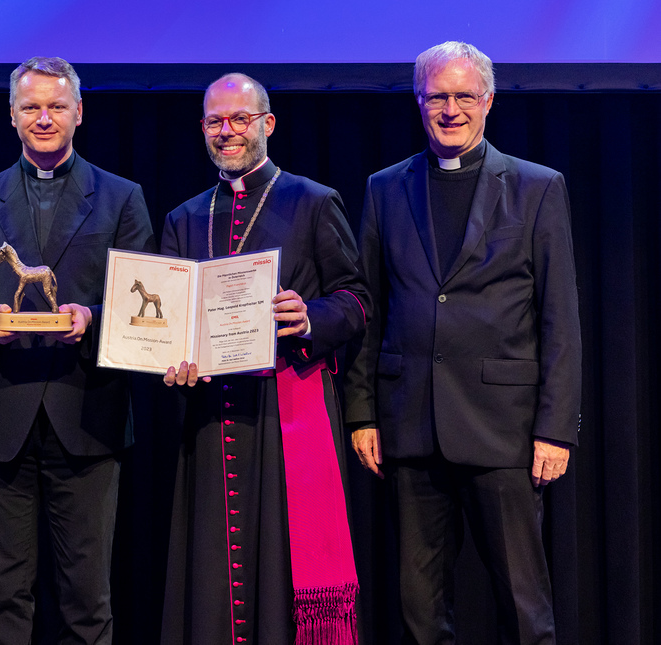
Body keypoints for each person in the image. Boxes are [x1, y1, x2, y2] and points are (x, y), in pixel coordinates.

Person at [345, 41, 582, 645]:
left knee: (525, 610)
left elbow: (559, 317)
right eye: (437, 97)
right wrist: (363, 411)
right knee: (420, 612)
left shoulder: (537, 187)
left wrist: (555, 428)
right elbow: (371, 308)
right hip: (411, 427)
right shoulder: (385, 188)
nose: (450, 109)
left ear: (489, 101)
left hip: (503, 431)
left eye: (463, 96)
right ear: (419, 103)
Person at [0, 56, 155, 644]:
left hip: (86, 415)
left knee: (88, 601)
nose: (43, 118)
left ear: (78, 112)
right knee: (2, 599)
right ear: (11, 117)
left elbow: (144, 309)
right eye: (31, 107)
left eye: (56, 106)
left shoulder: (121, 197)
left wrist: (94, 318)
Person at [161, 73, 368, 645]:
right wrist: (170, 358)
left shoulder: (313, 201)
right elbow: (167, 323)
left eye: (239, 119)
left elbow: (356, 300)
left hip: (287, 413)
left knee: (282, 565)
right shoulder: (184, 218)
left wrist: (310, 318)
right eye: (214, 122)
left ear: (267, 124)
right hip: (209, 421)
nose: (226, 132)